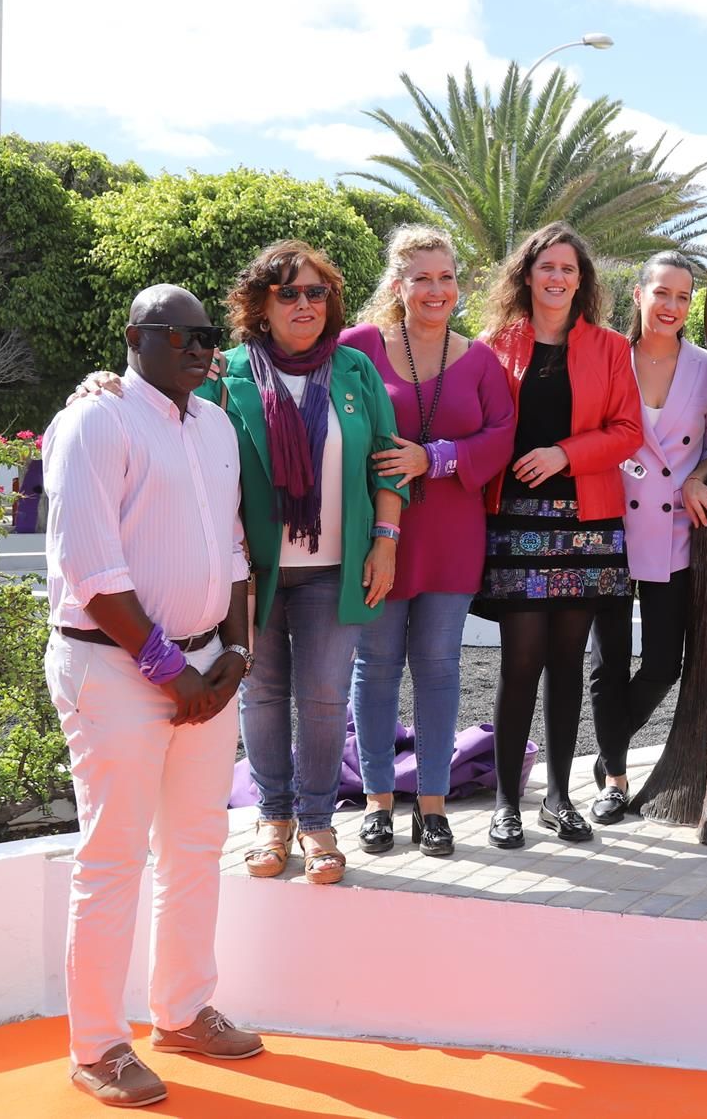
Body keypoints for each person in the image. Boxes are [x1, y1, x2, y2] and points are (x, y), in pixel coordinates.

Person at [43, 286, 262, 1107]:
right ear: (138, 337)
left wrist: (234, 654)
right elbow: (92, 573)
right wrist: (176, 672)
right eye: (184, 336)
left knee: (196, 846)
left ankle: (181, 1010)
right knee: (111, 859)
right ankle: (98, 1045)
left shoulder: (214, 424)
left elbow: (235, 547)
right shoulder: (94, 421)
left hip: (207, 672)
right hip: (115, 672)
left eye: (211, 337)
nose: (204, 349)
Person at [215, 242, 410, 886]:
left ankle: (318, 821)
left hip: (335, 567)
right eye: (289, 293)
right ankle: (273, 819)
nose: (305, 304)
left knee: (324, 699)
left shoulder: (355, 370)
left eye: (316, 293)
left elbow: (387, 461)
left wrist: (385, 539)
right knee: (263, 694)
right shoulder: (228, 375)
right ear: (261, 306)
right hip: (253, 571)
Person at [342, 226, 514, 858]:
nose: (436, 290)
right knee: (376, 667)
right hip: (375, 537)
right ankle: (379, 802)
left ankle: (434, 806)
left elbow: (501, 435)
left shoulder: (480, 359)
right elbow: (300, 382)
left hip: (451, 536)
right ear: (397, 285)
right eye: (422, 278)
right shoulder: (358, 347)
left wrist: (436, 458)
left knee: (440, 667)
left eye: (446, 277)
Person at [475, 222, 642, 846]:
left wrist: (564, 455)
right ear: (527, 275)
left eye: (569, 269)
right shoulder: (492, 347)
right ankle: (505, 803)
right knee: (520, 660)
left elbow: (628, 431)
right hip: (515, 522)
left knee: (568, 662)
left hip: (589, 525)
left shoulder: (608, 349)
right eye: (547, 267)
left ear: (583, 280)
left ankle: (559, 797)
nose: (558, 278)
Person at [619, 250, 707, 746]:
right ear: (639, 295)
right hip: (608, 528)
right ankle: (613, 776)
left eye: (684, 296)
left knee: (663, 665)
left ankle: (605, 752)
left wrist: (699, 477)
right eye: (662, 292)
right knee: (605, 665)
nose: (672, 305)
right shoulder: (608, 357)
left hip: (676, 530)